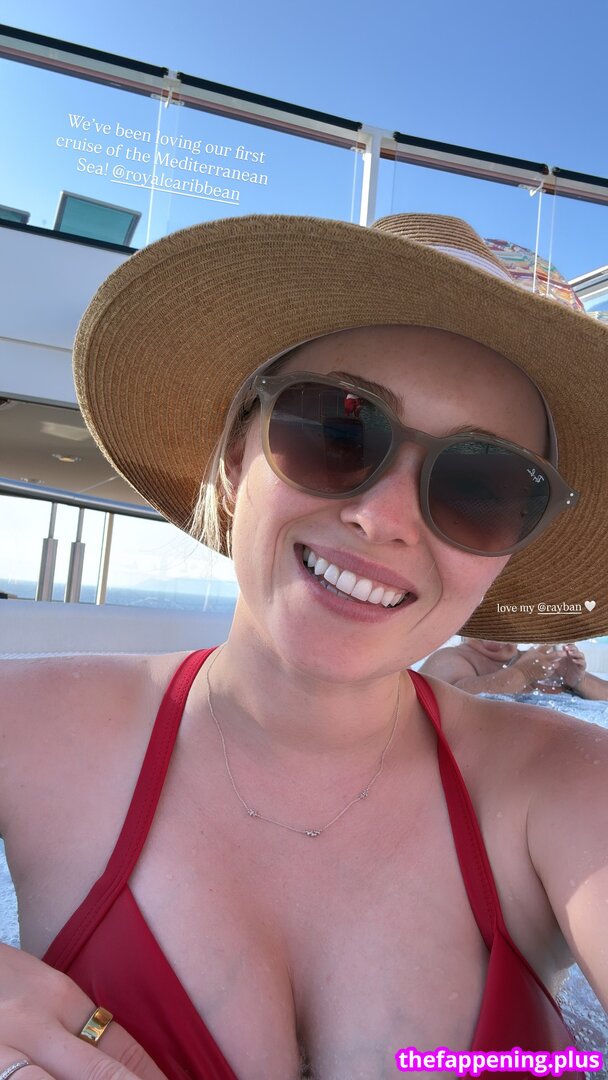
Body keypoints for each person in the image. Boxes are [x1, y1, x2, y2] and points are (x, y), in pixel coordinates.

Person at [1, 213, 607, 1080]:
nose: (383, 518)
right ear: (236, 460)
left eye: (482, 485)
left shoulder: (568, 787)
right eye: (337, 428)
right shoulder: (34, 725)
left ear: (507, 549)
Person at [419, 639, 608, 699]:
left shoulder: (536, 660)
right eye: (486, 622)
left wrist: (578, 681)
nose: (494, 634)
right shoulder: (452, 657)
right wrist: (523, 673)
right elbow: (448, 699)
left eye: (503, 624)